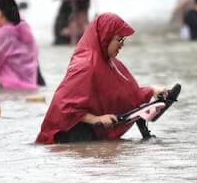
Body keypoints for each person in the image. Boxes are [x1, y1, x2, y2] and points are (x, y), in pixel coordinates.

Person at [35, 13, 167, 144]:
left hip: (92, 135)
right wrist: (96, 119)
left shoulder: (110, 63)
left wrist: (152, 91)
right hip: (70, 137)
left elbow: (124, 94)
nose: (122, 45)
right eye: (119, 39)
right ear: (106, 37)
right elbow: (63, 106)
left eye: (123, 40)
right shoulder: (85, 64)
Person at [0, 0, 39, 89]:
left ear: (0, 13)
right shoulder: (27, 32)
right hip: (30, 86)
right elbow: (35, 57)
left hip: (9, 87)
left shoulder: (2, 34)